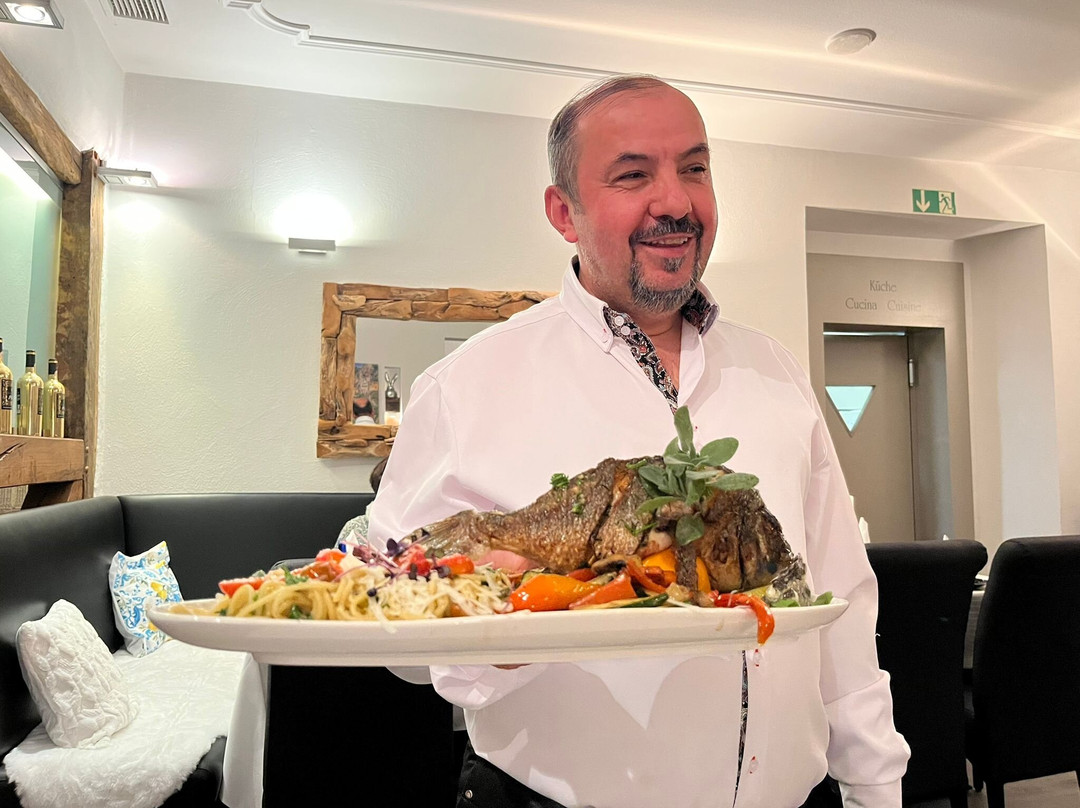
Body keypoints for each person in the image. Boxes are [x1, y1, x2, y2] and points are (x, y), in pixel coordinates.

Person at [367, 74, 909, 808]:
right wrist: (499, 634)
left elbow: (840, 597)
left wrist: (875, 785)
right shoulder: (462, 388)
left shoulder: (776, 371)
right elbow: (394, 627)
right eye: (633, 175)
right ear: (565, 212)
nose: (676, 201)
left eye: (695, 168)